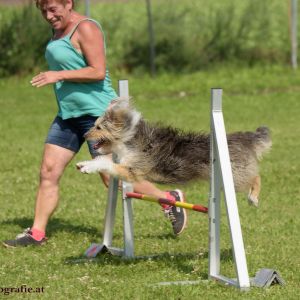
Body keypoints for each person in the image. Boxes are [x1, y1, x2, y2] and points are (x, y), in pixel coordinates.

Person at [3, 0, 187, 248]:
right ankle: (36, 233)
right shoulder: (58, 30)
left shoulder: (86, 28)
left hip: (98, 116)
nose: (48, 15)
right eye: (43, 11)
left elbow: (97, 71)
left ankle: (167, 198)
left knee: (111, 177)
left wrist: (58, 75)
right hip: (68, 115)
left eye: (53, 9)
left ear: (68, 3)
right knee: (48, 171)